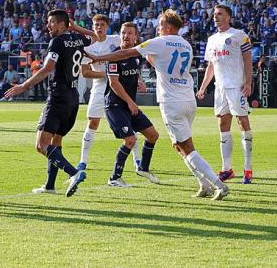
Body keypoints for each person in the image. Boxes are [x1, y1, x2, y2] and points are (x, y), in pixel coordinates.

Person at [88, 10, 229, 200]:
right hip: (188, 100)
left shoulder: (159, 42)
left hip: (172, 103)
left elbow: (126, 52)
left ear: (169, 27)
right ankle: (204, 185)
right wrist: (149, 56)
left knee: (187, 148)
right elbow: (163, 65)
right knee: (178, 145)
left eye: (161, 24)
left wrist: (98, 58)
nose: (158, 28)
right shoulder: (186, 44)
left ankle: (219, 185)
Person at [4, 10, 88, 197]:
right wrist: (76, 28)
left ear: (61, 24)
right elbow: (97, 38)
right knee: (55, 142)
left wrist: (23, 86)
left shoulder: (57, 42)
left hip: (58, 97)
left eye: (51, 22)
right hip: (73, 98)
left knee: (41, 145)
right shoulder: (78, 39)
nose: (48, 26)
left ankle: (74, 173)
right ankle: (50, 186)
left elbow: (48, 68)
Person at [70, 14, 140, 171]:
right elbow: (85, 72)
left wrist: (136, 77)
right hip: (99, 88)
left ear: (107, 27)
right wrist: (108, 74)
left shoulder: (115, 40)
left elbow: (129, 53)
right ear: (93, 27)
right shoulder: (88, 49)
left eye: (102, 24)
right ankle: (83, 161)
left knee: (129, 123)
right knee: (92, 123)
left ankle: (138, 160)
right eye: (96, 25)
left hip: (118, 88)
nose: (99, 27)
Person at [196, 4, 254, 184]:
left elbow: (247, 59)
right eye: (214, 14)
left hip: (236, 86)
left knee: (242, 121)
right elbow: (211, 66)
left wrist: (248, 82)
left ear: (228, 16)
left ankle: (248, 169)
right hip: (220, 87)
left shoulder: (239, 35)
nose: (216, 17)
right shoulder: (212, 39)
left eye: (220, 14)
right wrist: (203, 87)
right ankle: (227, 169)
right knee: (223, 123)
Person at [104, 22, 160, 187]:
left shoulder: (136, 55)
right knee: (130, 139)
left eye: (129, 33)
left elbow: (132, 74)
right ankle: (114, 178)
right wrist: (130, 102)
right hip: (115, 105)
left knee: (153, 135)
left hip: (129, 105)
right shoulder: (114, 56)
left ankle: (143, 168)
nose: (126, 36)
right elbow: (114, 83)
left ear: (136, 37)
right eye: (123, 33)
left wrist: (139, 81)